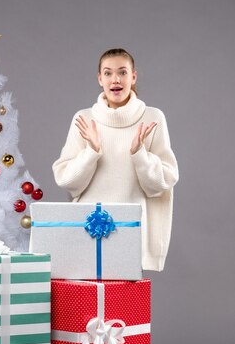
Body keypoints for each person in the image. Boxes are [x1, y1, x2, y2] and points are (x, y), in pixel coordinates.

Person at [52, 48, 179, 271]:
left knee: (122, 304)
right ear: (100, 79)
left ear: (133, 77)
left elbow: (161, 184)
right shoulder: (84, 119)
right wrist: (92, 151)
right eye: (108, 73)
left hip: (131, 232)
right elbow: (68, 183)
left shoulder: (152, 117)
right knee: (86, 303)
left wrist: (139, 154)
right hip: (86, 230)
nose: (116, 79)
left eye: (122, 72)